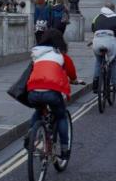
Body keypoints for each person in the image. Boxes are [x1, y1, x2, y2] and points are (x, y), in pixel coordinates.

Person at [24, 28, 77, 160]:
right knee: (61, 116)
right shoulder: (62, 56)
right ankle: (65, 150)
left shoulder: (36, 55)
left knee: (38, 110)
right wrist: (75, 80)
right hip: (51, 92)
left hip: (33, 91)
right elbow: (72, 74)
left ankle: (31, 135)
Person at [90, 2, 116, 93]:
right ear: (113, 9)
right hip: (110, 43)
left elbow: (94, 30)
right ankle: (115, 84)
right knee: (114, 62)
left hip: (97, 42)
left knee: (98, 61)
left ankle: (96, 85)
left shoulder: (96, 17)